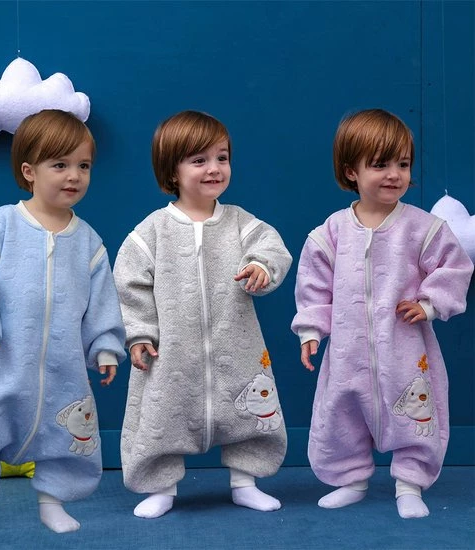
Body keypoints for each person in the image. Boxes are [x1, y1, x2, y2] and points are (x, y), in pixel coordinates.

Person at [0, 109, 126, 532]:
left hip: (61, 368)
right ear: (29, 171)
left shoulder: (89, 242)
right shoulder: (1, 225)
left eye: (84, 166)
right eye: (60, 165)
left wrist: (106, 345)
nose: (74, 176)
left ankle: (53, 501)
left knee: (65, 435)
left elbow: (102, 302)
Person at [291, 109, 473, 519]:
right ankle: (350, 480)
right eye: (379, 164)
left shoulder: (423, 228)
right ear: (350, 171)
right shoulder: (332, 232)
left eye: (403, 164)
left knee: (415, 411)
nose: (394, 174)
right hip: (347, 353)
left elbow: (455, 268)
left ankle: (409, 484)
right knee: (341, 413)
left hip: (405, 350)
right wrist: (310, 331)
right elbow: (314, 285)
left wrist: (428, 303)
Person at [113, 110, 292, 519]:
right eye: (199, 160)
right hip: (170, 355)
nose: (214, 168)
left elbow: (272, 248)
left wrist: (261, 267)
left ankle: (245, 483)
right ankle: (161, 488)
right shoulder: (151, 231)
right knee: (161, 417)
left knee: (251, 410)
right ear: (172, 171)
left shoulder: (240, 223)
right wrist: (139, 334)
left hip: (236, 346)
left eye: (222, 158)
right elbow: (129, 286)